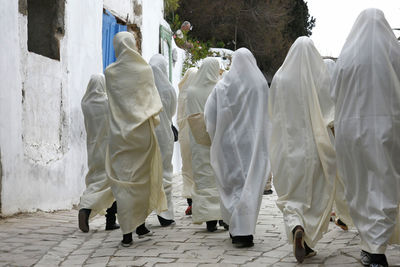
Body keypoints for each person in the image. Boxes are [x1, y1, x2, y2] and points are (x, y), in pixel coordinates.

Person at [332, 9, 400, 267]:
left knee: (359, 185)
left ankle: (371, 245)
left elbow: (333, 92)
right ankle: (376, 246)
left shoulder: (347, 57)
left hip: (352, 132)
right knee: (385, 184)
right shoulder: (395, 53)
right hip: (388, 128)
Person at [269, 36, 336, 263]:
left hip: (287, 149)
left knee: (291, 194)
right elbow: (329, 111)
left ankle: (295, 225)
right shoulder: (319, 76)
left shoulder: (279, 77)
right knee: (315, 195)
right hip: (315, 148)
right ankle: (306, 240)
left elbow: (273, 113)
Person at [104, 32, 167, 247]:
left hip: (120, 137)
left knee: (124, 183)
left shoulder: (110, 72)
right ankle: (138, 225)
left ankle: (128, 232)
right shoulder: (144, 70)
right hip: (141, 134)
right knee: (141, 181)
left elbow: (111, 104)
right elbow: (152, 100)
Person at [204, 48, 270, 247]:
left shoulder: (222, 86)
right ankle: (245, 230)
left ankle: (236, 228)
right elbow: (268, 115)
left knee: (232, 183)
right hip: (253, 144)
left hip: (229, 144)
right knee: (250, 184)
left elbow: (209, 116)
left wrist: (216, 135)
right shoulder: (260, 85)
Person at [185, 57, 223, 232]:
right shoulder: (219, 88)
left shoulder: (191, 90)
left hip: (197, 138)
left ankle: (208, 219)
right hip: (216, 138)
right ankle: (221, 214)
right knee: (218, 175)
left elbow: (189, 114)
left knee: (203, 176)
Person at [78, 74, 119, 233]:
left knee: (96, 179)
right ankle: (102, 216)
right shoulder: (107, 102)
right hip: (108, 147)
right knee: (111, 182)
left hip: (93, 148)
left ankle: (89, 210)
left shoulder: (85, 102)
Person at [323, 58, 353, 232]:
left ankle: (327, 211)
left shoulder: (318, 89)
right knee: (343, 179)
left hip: (324, 141)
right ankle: (343, 214)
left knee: (326, 179)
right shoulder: (340, 89)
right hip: (342, 140)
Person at [149, 54, 177, 227]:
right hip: (165, 134)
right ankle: (165, 214)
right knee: (165, 171)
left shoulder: (144, 87)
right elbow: (172, 111)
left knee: (148, 171)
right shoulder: (169, 89)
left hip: (148, 133)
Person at [177, 68, 198, 216]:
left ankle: (190, 203)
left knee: (187, 169)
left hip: (185, 135)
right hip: (197, 135)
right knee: (199, 168)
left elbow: (177, 116)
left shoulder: (182, 95)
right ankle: (199, 201)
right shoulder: (199, 93)